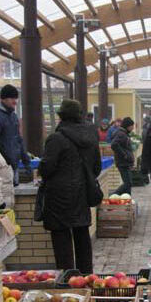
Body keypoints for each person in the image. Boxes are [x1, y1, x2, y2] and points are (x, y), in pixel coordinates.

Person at [39, 99, 101, 273]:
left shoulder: (56, 138)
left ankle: (67, 279)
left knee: (61, 239)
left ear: (61, 116)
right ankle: (86, 275)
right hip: (82, 194)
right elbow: (96, 167)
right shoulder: (90, 136)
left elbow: (46, 168)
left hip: (58, 197)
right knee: (82, 236)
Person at [0, 84, 31, 187]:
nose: (15, 101)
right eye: (12, 98)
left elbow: (18, 139)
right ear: (3, 99)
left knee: (12, 196)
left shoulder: (13, 116)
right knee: (5, 195)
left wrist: (26, 160)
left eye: (16, 98)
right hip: (1, 167)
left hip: (13, 165)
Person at [111, 117, 136, 196]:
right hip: (123, 163)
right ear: (128, 126)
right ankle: (113, 195)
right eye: (132, 126)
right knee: (128, 183)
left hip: (125, 162)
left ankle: (127, 201)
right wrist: (124, 155)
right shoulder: (121, 134)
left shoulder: (123, 133)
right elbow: (114, 145)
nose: (133, 128)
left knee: (128, 184)